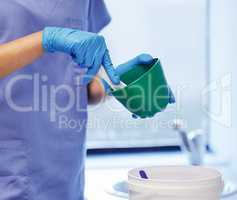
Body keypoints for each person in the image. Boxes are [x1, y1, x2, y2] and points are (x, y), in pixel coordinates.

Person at [0, 1, 174, 200]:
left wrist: (119, 84)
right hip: (8, 174)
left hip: (66, 179)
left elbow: (77, 84)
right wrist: (45, 39)